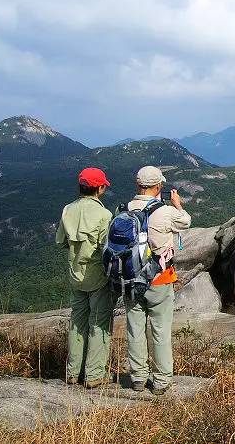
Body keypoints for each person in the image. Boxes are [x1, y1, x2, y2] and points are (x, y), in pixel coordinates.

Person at [125, 166, 191, 395]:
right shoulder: (165, 212)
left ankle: (138, 378)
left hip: (131, 279)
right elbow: (186, 221)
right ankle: (161, 381)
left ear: (137, 185)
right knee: (160, 331)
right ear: (159, 187)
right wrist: (177, 204)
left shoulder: (124, 210)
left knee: (135, 329)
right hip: (159, 279)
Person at [55, 167, 115, 388]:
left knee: (77, 322)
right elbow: (106, 249)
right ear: (99, 188)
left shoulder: (67, 210)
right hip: (98, 276)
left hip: (75, 275)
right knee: (98, 323)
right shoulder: (104, 215)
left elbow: (61, 241)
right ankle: (94, 375)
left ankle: (72, 373)